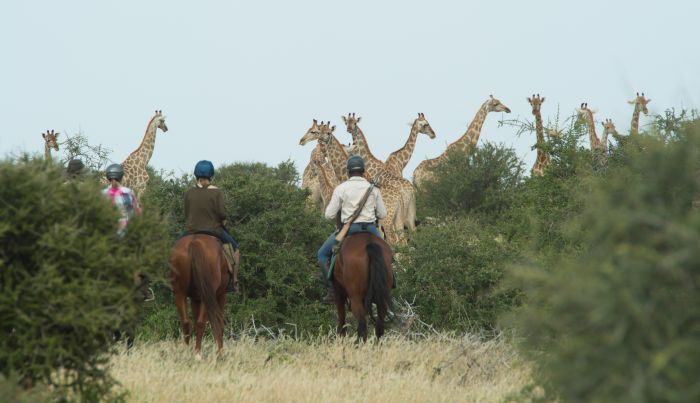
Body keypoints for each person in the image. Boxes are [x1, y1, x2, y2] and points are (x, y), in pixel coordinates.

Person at [317, 155, 387, 303]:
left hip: (349, 229)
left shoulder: (341, 188)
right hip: (371, 229)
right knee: (387, 254)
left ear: (348, 172)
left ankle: (332, 291)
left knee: (322, 254)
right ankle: (391, 281)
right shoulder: (373, 189)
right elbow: (382, 214)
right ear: (363, 171)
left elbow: (328, 215)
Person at [183, 160, 240, 293]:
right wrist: (223, 219)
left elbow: (187, 213)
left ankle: (172, 278)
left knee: (174, 247)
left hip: (192, 231)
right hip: (214, 230)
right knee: (236, 249)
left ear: (196, 176)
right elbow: (222, 213)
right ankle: (234, 281)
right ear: (211, 176)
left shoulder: (189, 193)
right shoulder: (217, 192)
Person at [102, 163, 141, 236]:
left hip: (106, 232)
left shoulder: (102, 194)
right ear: (122, 177)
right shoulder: (128, 192)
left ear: (107, 178)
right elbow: (137, 212)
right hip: (126, 232)